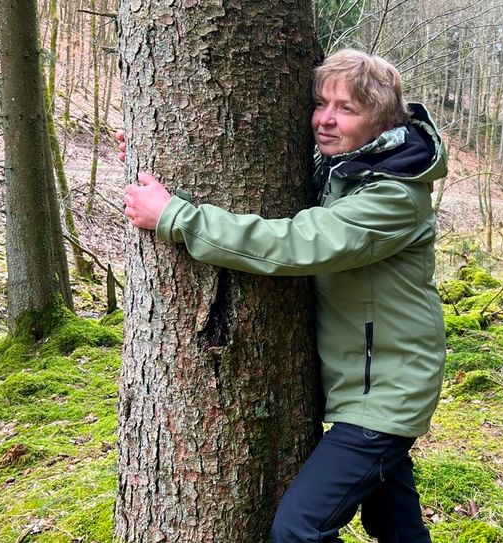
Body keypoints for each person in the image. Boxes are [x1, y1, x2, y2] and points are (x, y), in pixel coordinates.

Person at [122, 49, 447, 543]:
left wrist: (178, 217)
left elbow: (296, 243)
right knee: (395, 524)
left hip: (384, 396)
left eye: (346, 109)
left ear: (381, 120)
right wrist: (151, 146)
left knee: (300, 531)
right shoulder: (349, 170)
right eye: (321, 103)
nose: (325, 119)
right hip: (364, 385)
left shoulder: (392, 195)